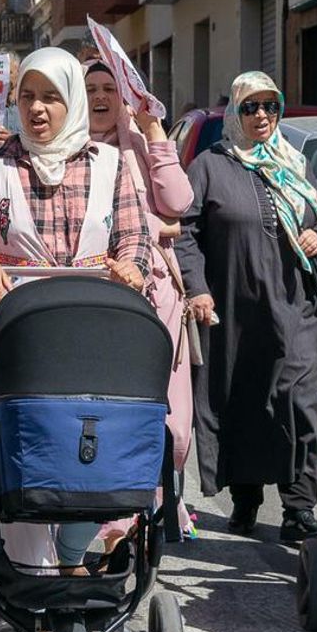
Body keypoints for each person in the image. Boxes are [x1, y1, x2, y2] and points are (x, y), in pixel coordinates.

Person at [0, 47, 151, 570]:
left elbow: (136, 242)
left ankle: (74, 556)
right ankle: (30, 580)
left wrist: (131, 268)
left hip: (97, 343)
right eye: (27, 96)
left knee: (96, 454)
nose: (37, 109)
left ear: (72, 101)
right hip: (22, 345)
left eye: (51, 97)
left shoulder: (112, 166)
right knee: (25, 455)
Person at [175, 71, 317, 543]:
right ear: (235, 114)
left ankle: (299, 508)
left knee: (301, 403)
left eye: (270, 106)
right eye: (251, 107)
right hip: (237, 311)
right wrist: (197, 287)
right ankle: (245, 503)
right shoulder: (209, 165)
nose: (261, 116)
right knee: (244, 402)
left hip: (299, 307)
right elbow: (185, 232)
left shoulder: (296, 164)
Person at [83, 60, 198, 540]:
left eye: (110, 87)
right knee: (114, 411)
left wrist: (154, 131)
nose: (100, 96)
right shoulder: (68, 149)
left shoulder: (141, 140)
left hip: (157, 295)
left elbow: (178, 202)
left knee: (175, 425)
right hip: (95, 296)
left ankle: (161, 497)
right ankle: (119, 511)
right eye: (89, 88)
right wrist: (157, 228)